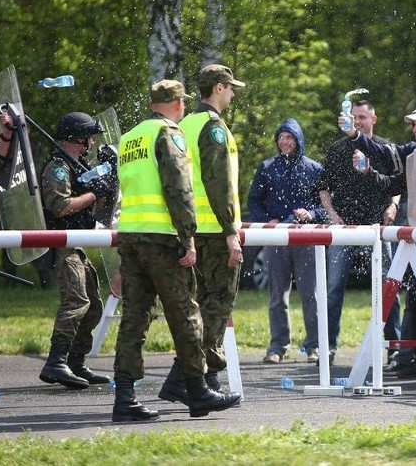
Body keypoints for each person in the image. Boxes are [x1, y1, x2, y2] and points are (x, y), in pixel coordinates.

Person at [113, 80, 240, 422]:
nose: (184, 106)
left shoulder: (130, 137)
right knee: (186, 314)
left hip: (131, 236)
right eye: (182, 101)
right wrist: (187, 237)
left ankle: (124, 397)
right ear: (175, 103)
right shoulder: (168, 132)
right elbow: (178, 187)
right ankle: (197, 392)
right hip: (163, 238)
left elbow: (126, 191)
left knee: (134, 318)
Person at [346, 103, 416, 377]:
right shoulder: (413, 153)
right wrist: (366, 168)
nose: (415, 130)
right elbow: (391, 181)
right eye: (413, 125)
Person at [159, 64, 245, 402]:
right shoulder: (213, 128)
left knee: (199, 306)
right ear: (219, 88)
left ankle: (190, 379)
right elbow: (218, 182)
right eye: (231, 87)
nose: (234, 93)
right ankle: (197, 377)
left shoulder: (184, 123)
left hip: (193, 231)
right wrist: (230, 231)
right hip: (214, 232)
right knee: (217, 306)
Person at [318, 96, 401, 364]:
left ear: (373, 119)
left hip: (378, 227)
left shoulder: (385, 148)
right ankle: (327, 346)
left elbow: (399, 184)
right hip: (345, 227)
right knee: (333, 288)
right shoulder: (337, 149)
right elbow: (322, 187)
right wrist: (332, 216)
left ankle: (395, 345)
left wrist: (394, 207)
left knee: (388, 286)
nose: (358, 122)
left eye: (363, 117)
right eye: (354, 118)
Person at [38, 111, 112, 390]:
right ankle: (56, 362)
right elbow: (60, 207)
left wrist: (103, 190)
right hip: (61, 245)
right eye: (88, 137)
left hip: (76, 244)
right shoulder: (59, 166)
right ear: (77, 137)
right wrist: (92, 194)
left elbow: (93, 207)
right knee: (76, 302)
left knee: (93, 306)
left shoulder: (77, 166)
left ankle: (76, 362)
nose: (91, 142)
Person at [248, 119, 325, 364]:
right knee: (277, 296)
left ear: (298, 140)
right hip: (276, 239)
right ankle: (277, 347)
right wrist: (265, 220)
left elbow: (326, 206)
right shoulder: (267, 167)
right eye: (281, 137)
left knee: (310, 295)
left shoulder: (314, 169)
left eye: (289, 137)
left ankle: (314, 346)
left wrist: (311, 214)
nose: (284, 141)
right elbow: (254, 202)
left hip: (307, 239)